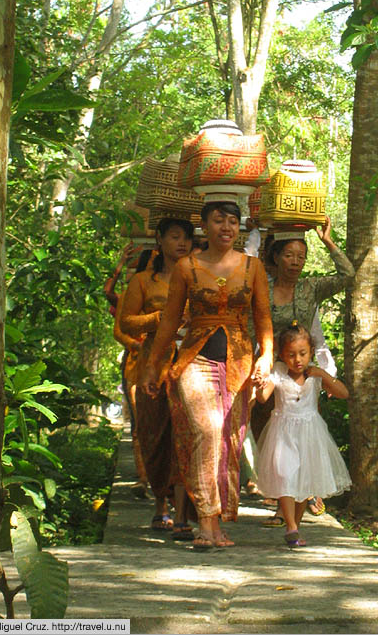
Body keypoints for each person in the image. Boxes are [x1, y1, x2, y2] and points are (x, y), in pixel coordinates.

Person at [142, 200, 273, 550]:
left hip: (238, 363)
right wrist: (154, 365)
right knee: (207, 430)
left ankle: (216, 525)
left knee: (228, 441)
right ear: (204, 225)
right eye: (218, 221)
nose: (226, 227)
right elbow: (170, 321)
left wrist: (267, 357)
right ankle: (206, 521)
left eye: (232, 221)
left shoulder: (253, 267)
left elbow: (262, 318)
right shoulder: (187, 267)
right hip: (193, 361)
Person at [251, 215, 355, 524]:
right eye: (289, 255)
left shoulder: (311, 288)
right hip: (271, 368)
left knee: (305, 432)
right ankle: (281, 503)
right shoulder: (263, 290)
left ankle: (307, 491)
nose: (296, 262)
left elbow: (347, 274)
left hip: (303, 372)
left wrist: (328, 241)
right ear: (276, 257)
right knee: (270, 436)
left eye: (302, 256)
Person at [120, 218, 195, 539]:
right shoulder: (142, 282)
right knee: (153, 438)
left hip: (190, 368)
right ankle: (160, 505)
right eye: (175, 237)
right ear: (160, 240)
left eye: (186, 238)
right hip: (152, 367)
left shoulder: (199, 277)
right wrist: (158, 319)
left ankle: (181, 514)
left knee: (185, 438)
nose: (181, 243)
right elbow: (126, 323)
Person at [255, 323, 351, 547]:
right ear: (281, 355)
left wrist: (324, 375)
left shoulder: (315, 374)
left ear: (310, 352)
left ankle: (295, 527)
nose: (297, 359)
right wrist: (262, 382)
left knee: (304, 481)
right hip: (283, 431)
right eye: (291, 355)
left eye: (302, 354)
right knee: (285, 475)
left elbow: (343, 393)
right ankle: (291, 526)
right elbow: (263, 397)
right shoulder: (278, 372)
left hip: (310, 433)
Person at [113, 249, 151, 499]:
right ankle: (143, 477)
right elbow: (119, 330)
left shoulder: (174, 286)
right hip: (136, 364)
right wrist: (135, 344)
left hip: (167, 362)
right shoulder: (131, 292)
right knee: (139, 424)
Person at [104, 242, 141, 315]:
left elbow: (108, 291)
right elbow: (108, 292)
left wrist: (122, 261)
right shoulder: (124, 303)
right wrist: (121, 262)